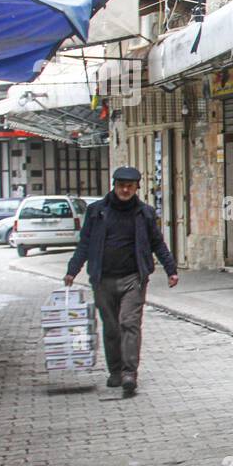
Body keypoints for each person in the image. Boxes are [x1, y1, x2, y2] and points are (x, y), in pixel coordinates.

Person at [64, 167, 178, 397]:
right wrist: (72, 270)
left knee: (129, 323)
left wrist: (171, 269)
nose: (125, 190)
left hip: (133, 278)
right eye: (121, 185)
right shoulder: (97, 211)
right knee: (112, 327)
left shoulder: (144, 213)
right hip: (102, 278)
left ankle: (129, 373)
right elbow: (84, 243)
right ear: (113, 185)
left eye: (130, 186)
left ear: (137, 188)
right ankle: (115, 370)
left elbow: (158, 243)